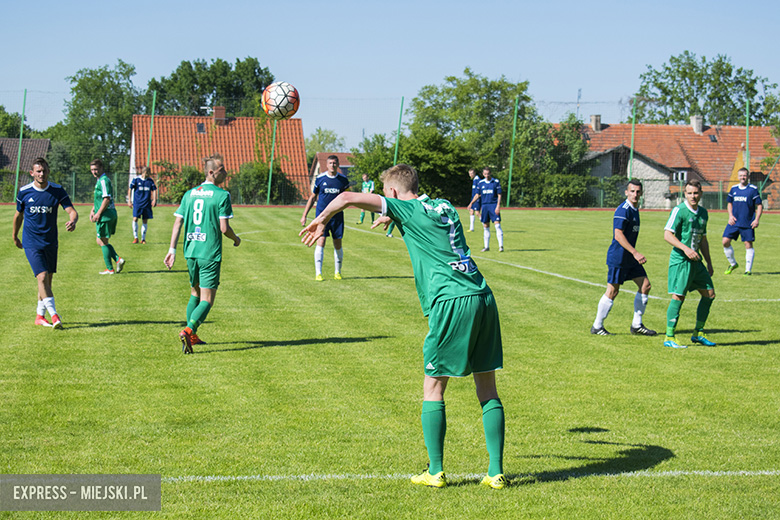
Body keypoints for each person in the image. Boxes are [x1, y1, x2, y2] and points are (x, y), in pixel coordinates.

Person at [300, 164, 506, 490]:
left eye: (386, 195)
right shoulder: (444, 206)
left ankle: (435, 471)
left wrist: (320, 218)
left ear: (393, 192)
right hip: (481, 295)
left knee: (433, 387)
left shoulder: (404, 207)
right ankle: (496, 473)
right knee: (487, 388)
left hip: (449, 300)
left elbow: (347, 197)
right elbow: (427, 219)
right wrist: (395, 217)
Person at [164, 154, 240, 354]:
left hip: (190, 251)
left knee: (194, 293)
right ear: (211, 172)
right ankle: (189, 330)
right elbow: (224, 228)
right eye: (222, 169)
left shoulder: (189, 194)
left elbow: (178, 221)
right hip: (209, 252)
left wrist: (171, 250)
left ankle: (193, 337)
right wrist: (236, 239)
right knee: (207, 299)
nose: (226, 172)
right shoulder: (222, 195)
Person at [12, 157, 78, 329]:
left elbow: (71, 210)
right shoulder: (24, 192)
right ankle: (55, 316)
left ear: (48, 171)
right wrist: (14, 236)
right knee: (41, 277)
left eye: (44, 171)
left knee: (47, 281)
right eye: (38, 171)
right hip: (31, 241)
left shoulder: (57, 190)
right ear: (32, 173)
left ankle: (39, 316)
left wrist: (73, 220)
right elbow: (18, 216)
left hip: (50, 241)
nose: (41, 174)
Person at [591, 179, 656, 336]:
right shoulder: (623, 210)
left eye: (638, 191)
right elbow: (618, 235)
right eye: (632, 191)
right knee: (613, 291)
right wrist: (635, 252)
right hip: (619, 257)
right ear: (626, 192)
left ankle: (637, 325)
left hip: (629, 258)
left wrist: (633, 254)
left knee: (645, 285)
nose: (635, 194)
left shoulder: (635, 209)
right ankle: (597, 326)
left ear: (641, 193)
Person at [662, 180, 716, 349]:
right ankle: (669, 336)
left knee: (709, 294)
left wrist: (709, 262)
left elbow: (703, 240)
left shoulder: (703, 213)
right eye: (690, 193)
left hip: (696, 261)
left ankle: (698, 332)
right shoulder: (679, 211)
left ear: (701, 194)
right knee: (679, 296)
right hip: (681, 260)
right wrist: (685, 249)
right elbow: (667, 235)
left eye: (696, 193)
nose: (693, 196)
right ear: (685, 194)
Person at [300, 155, 350, 280]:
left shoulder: (343, 180)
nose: (332, 165)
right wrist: (304, 215)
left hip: (337, 217)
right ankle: (318, 273)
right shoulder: (320, 179)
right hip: (322, 217)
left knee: (337, 243)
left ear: (337, 164)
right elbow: (313, 197)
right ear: (326, 165)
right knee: (320, 241)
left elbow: (348, 197)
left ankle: (337, 272)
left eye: (334, 163)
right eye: (330, 163)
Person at [722, 167, 762, 276]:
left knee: (748, 244)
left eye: (744, 175)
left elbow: (759, 205)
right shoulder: (734, 189)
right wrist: (730, 216)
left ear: (748, 177)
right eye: (741, 175)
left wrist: (756, 219)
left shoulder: (753, 189)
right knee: (725, 241)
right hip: (734, 222)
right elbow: (729, 203)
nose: (742, 177)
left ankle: (748, 270)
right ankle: (733, 264)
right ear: (738, 176)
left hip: (747, 223)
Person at [89, 159, 125, 274]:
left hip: (105, 215)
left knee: (102, 241)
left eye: (96, 169)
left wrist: (98, 213)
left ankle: (111, 268)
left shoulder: (103, 181)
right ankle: (117, 260)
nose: (94, 172)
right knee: (100, 240)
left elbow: (106, 198)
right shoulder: (101, 180)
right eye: (92, 170)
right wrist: (93, 210)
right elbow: (100, 199)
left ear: (101, 168)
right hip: (107, 214)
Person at [469, 167, 504, 252]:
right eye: (485, 174)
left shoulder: (495, 182)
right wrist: (471, 203)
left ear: (490, 173)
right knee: (485, 226)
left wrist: (498, 205)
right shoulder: (481, 183)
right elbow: (477, 195)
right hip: (484, 206)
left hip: (493, 205)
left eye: (488, 173)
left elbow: (499, 194)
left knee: (497, 225)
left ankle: (501, 246)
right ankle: (486, 246)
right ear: (483, 174)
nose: (487, 175)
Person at [127, 166, 157, 244]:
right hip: (137, 204)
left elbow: (154, 190)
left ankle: (143, 239)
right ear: (145, 172)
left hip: (147, 204)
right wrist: (129, 200)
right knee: (135, 219)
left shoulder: (150, 181)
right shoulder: (136, 180)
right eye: (149, 173)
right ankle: (135, 237)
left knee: (145, 220)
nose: (149, 174)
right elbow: (130, 189)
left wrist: (154, 199)